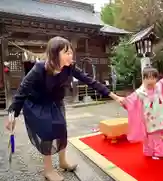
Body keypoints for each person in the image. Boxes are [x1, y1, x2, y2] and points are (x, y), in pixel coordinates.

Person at [5, 36, 124, 181]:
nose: (71, 55)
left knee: (61, 128)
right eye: (66, 52)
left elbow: (90, 81)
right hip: (36, 104)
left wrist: (114, 96)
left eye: (71, 52)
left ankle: (63, 161)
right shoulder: (39, 68)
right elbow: (22, 90)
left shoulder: (70, 67)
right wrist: (12, 115)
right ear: (55, 54)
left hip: (55, 102)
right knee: (47, 131)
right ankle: (48, 170)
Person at [122, 67, 163, 160]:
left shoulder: (159, 86)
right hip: (150, 119)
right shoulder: (140, 92)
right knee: (153, 136)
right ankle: (152, 152)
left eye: (153, 78)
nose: (150, 80)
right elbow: (129, 101)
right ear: (144, 79)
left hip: (162, 116)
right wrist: (120, 99)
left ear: (156, 78)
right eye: (148, 78)